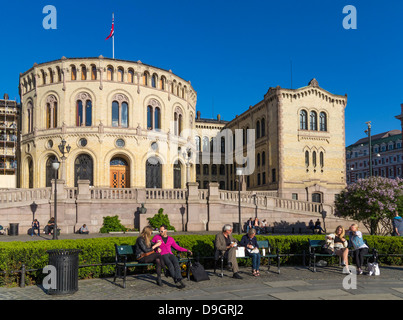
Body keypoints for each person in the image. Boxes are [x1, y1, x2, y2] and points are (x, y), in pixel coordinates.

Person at [151, 224, 192, 289]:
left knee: (176, 263)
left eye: (161, 231)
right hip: (162, 255)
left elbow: (177, 247)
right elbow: (151, 243)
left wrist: (186, 250)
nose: (160, 232)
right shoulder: (156, 237)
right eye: (159, 231)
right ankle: (176, 280)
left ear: (166, 231)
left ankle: (179, 278)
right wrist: (157, 247)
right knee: (170, 265)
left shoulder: (170, 239)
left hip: (170, 254)